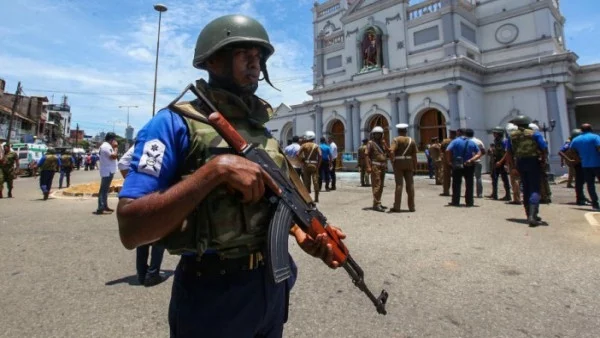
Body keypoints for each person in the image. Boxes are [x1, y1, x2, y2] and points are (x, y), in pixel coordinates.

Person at [116, 15, 345, 337]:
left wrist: (299, 230)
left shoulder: (261, 131)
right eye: (244, 55)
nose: (255, 65)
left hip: (270, 285)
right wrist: (215, 171)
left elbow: (272, 200)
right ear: (212, 60)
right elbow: (132, 228)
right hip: (212, 293)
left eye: (259, 58)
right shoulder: (172, 124)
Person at [118, 145, 166, 286]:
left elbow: (122, 163)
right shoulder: (158, 142)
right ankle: (152, 274)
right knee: (159, 235)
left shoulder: (141, 144)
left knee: (143, 234)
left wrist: (132, 183)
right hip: (156, 192)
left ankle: (141, 273)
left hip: (140, 195)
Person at [506, 115, 548, 225]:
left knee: (525, 187)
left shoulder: (512, 136)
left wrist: (513, 167)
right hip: (533, 162)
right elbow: (544, 148)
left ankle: (529, 213)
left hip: (520, 162)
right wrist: (543, 161)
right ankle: (532, 215)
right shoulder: (534, 134)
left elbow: (509, 153)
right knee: (535, 188)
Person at [445, 128, 482, 207]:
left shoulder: (455, 141)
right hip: (469, 165)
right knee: (469, 184)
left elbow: (447, 150)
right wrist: (471, 160)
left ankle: (455, 201)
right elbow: (479, 153)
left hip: (457, 164)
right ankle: (469, 202)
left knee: (456, 183)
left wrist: (449, 161)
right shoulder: (471, 142)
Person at [569, 123, 600, 210]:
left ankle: (595, 204)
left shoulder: (576, 139)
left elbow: (571, 150)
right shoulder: (595, 137)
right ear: (591, 129)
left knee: (590, 185)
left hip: (585, 165)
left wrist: (578, 158)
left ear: (581, 130)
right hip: (598, 163)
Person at [389, 124, 417, 212]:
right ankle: (412, 207)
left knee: (399, 185)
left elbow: (391, 151)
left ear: (398, 131)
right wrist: (415, 167)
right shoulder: (411, 140)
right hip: (409, 163)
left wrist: (392, 160)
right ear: (406, 131)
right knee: (410, 185)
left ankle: (397, 206)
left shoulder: (396, 140)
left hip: (399, 163)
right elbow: (414, 155)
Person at [559, 129, 588, 205]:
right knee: (579, 181)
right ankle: (580, 198)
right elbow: (560, 152)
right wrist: (569, 160)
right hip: (577, 164)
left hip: (581, 163)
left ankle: (581, 196)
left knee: (581, 181)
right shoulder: (569, 143)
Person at [366, 126, 389, 212]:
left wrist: (385, 144)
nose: (378, 136)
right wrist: (368, 166)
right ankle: (376, 204)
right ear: (373, 134)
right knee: (377, 185)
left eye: (380, 134)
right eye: (376, 134)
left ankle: (378, 202)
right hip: (375, 166)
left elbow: (388, 152)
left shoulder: (382, 144)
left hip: (382, 166)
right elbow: (366, 155)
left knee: (381, 185)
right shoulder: (370, 143)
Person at [95, 132, 118, 215]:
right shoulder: (105, 146)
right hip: (107, 171)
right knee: (103, 190)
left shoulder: (106, 146)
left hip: (108, 170)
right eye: (114, 139)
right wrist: (115, 148)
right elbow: (113, 156)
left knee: (105, 190)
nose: (115, 141)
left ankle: (104, 206)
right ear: (111, 139)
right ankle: (100, 207)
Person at [487, 127, 511, 201]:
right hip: (496, 161)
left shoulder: (504, 141)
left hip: (502, 162)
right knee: (494, 178)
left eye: (495, 133)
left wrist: (501, 162)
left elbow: (506, 153)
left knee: (505, 179)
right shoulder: (496, 141)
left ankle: (508, 195)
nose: (494, 134)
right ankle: (494, 194)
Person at [298, 130, 322, 202]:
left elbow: (297, 154)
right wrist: (318, 165)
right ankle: (316, 197)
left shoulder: (304, 145)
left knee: (306, 182)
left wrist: (302, 161)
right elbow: (320, 155)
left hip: (306, 165)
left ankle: (307, 197)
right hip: (314, 165)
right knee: (315, 181)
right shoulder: (316, 146)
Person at [468, 130, 486, 198]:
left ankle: (470, 193)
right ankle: (479, 194)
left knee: (469, 178)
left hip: (469, 162)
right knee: (478, 178)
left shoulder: (467, 142)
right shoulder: (479, 141)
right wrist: (478, 156)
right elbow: (483, 151)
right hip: (477, 161)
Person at [440, 130, 456, 196]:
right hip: (455, 159)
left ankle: (446, 191)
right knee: (456, 176)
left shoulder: (445, 141)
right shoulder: (457, 141)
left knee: (446, 176)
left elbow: (442, 149)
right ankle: (456, 191)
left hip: (446, 158)